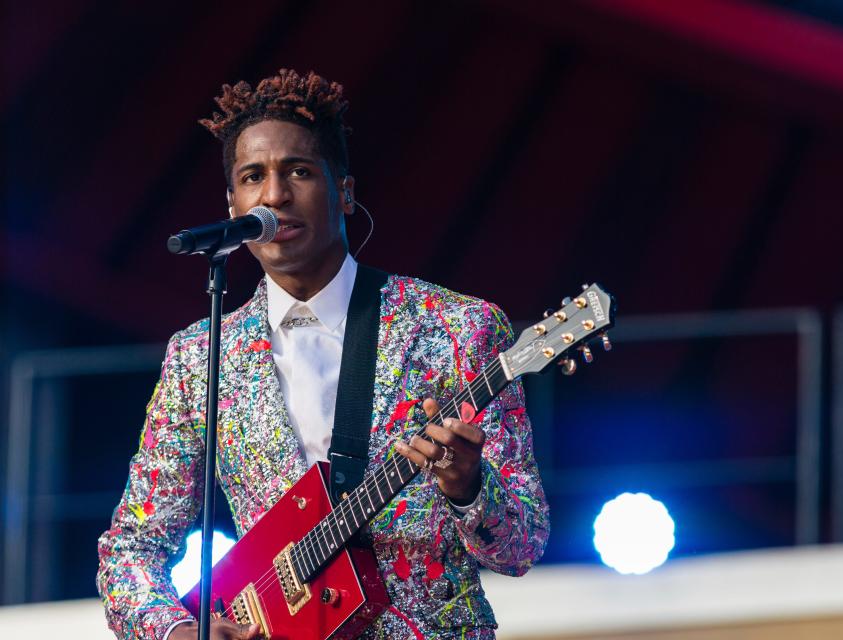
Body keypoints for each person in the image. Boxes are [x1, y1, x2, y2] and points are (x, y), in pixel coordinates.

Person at [96, 69, 549, 640]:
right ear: (234, 202)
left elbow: (522, 545)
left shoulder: (458, 328)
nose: (275, 195)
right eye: (253, 177)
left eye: (299, 172)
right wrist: (176, 632)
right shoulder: (199, 356)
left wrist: (469, 486)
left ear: (345, 191)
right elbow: (132, 546)